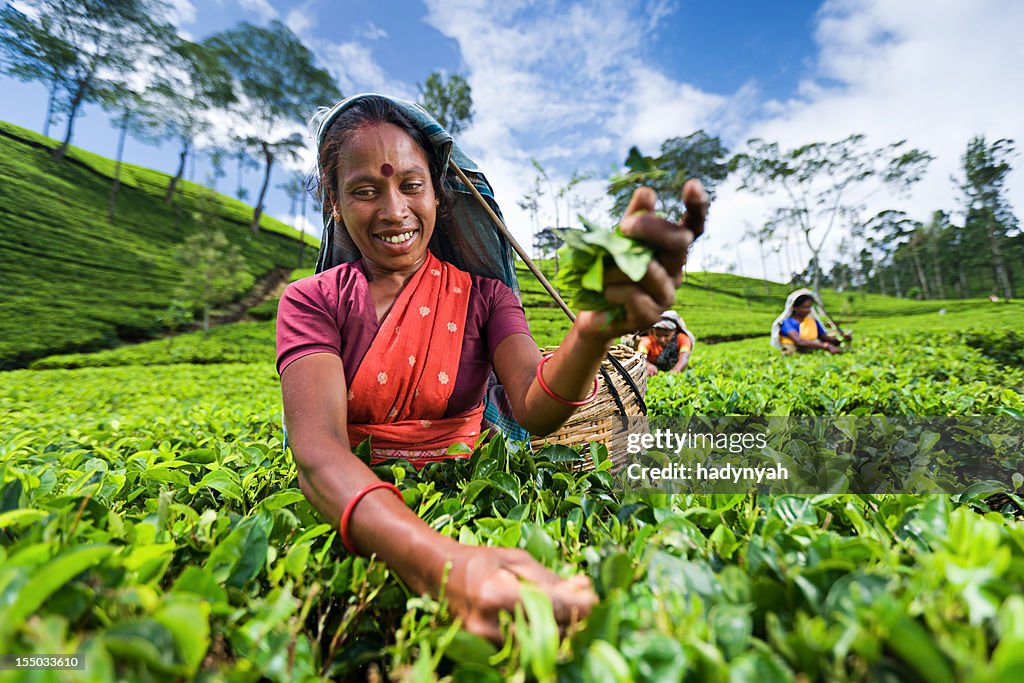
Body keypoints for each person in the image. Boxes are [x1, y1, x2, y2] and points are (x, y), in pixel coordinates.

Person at [276, 94, 708, 643]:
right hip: (357, 514)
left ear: (438, 193)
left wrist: (593, 330)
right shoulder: (311, 301)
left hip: (474, 493)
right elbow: (318, 451)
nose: (393, 211)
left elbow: (533, 402)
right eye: (364, 190)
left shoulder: (486, 297)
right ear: (334, 203)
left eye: (411, 185)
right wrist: (439, 562)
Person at [770, 289, 849, 354]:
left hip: (811, 348)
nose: (808, 310)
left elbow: (825, 337)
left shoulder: (813, 322)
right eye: (804, 307)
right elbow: (799, 341)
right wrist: (826, 346)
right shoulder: (786, 322)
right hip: (793, 350)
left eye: (809, 307)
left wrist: (842, 338)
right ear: (795, 307)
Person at [637, 310, 693, 375]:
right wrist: (648, 365)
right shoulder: (647, 341)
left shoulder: (683, 339)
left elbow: (684, 357)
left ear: (675, 331)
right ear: (653, 331)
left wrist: (676, 370)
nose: (662, 340)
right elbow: (640, 357)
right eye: (657, 335)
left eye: (666, 335)